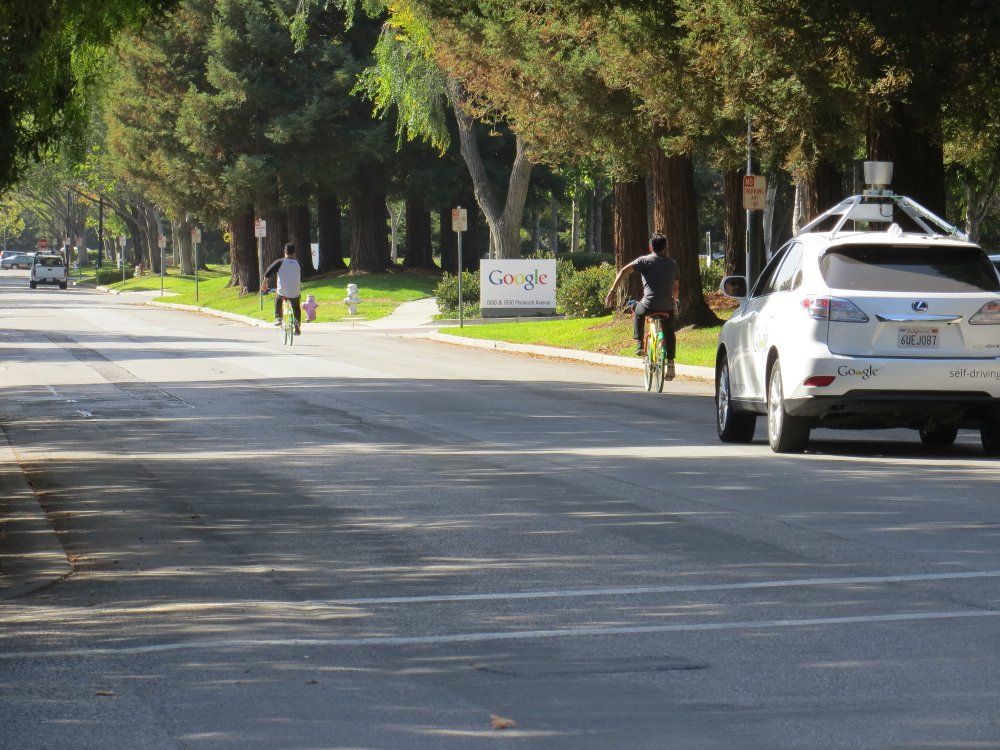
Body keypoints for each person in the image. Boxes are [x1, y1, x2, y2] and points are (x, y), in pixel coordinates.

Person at [604, 232, 680, 378]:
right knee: (669, 332)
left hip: (648, 304)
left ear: (650, 246)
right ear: (666, 247)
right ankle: (670, 362)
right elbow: (676, 288)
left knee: (637, 310)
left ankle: (639, 342)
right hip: (667, 306)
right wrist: (673, 302)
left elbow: (623, 271)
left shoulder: (643, 261)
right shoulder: (673, 264)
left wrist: (612, 291)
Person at [261, 243, 302, 335]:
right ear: (294, 253)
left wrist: (264, 283)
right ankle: (297, 323)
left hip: (282, 291)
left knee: (277, 299)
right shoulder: (298, 263)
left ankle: (278, 318)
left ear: (285, 251)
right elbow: (300, 276)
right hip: (295, 291)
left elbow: (268, 273)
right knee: (296, 306)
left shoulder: (280, 262)